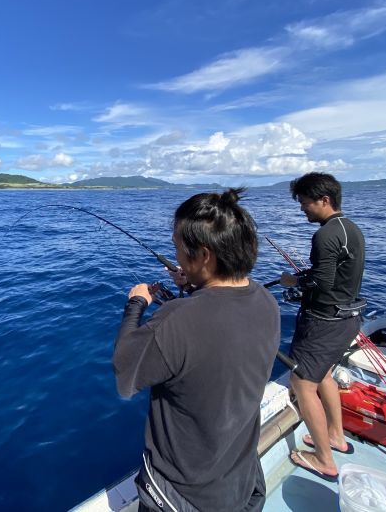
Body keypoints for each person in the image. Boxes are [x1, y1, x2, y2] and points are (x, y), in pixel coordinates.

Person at [113, 188, 280, 512]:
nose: (176, 257)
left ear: (204, 255)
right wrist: (195, 285)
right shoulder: (265, 301)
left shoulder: (176, 318)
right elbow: (216, 322)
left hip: (182, 496)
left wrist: (136, 303)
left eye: (178, 248)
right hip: (240, 481)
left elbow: (125, 373)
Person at [279, 172, 365, 482]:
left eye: (304, 203)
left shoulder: (325, 235)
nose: (302, 209)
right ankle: (335, 437)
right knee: (324, 374)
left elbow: (321, 283)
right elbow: (333, 275)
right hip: (346, 320)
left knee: (302, 382)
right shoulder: (350, 229)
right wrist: (309, 274)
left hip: (324, 322)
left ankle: (324, 459)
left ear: (324, 200)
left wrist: (295, 281)